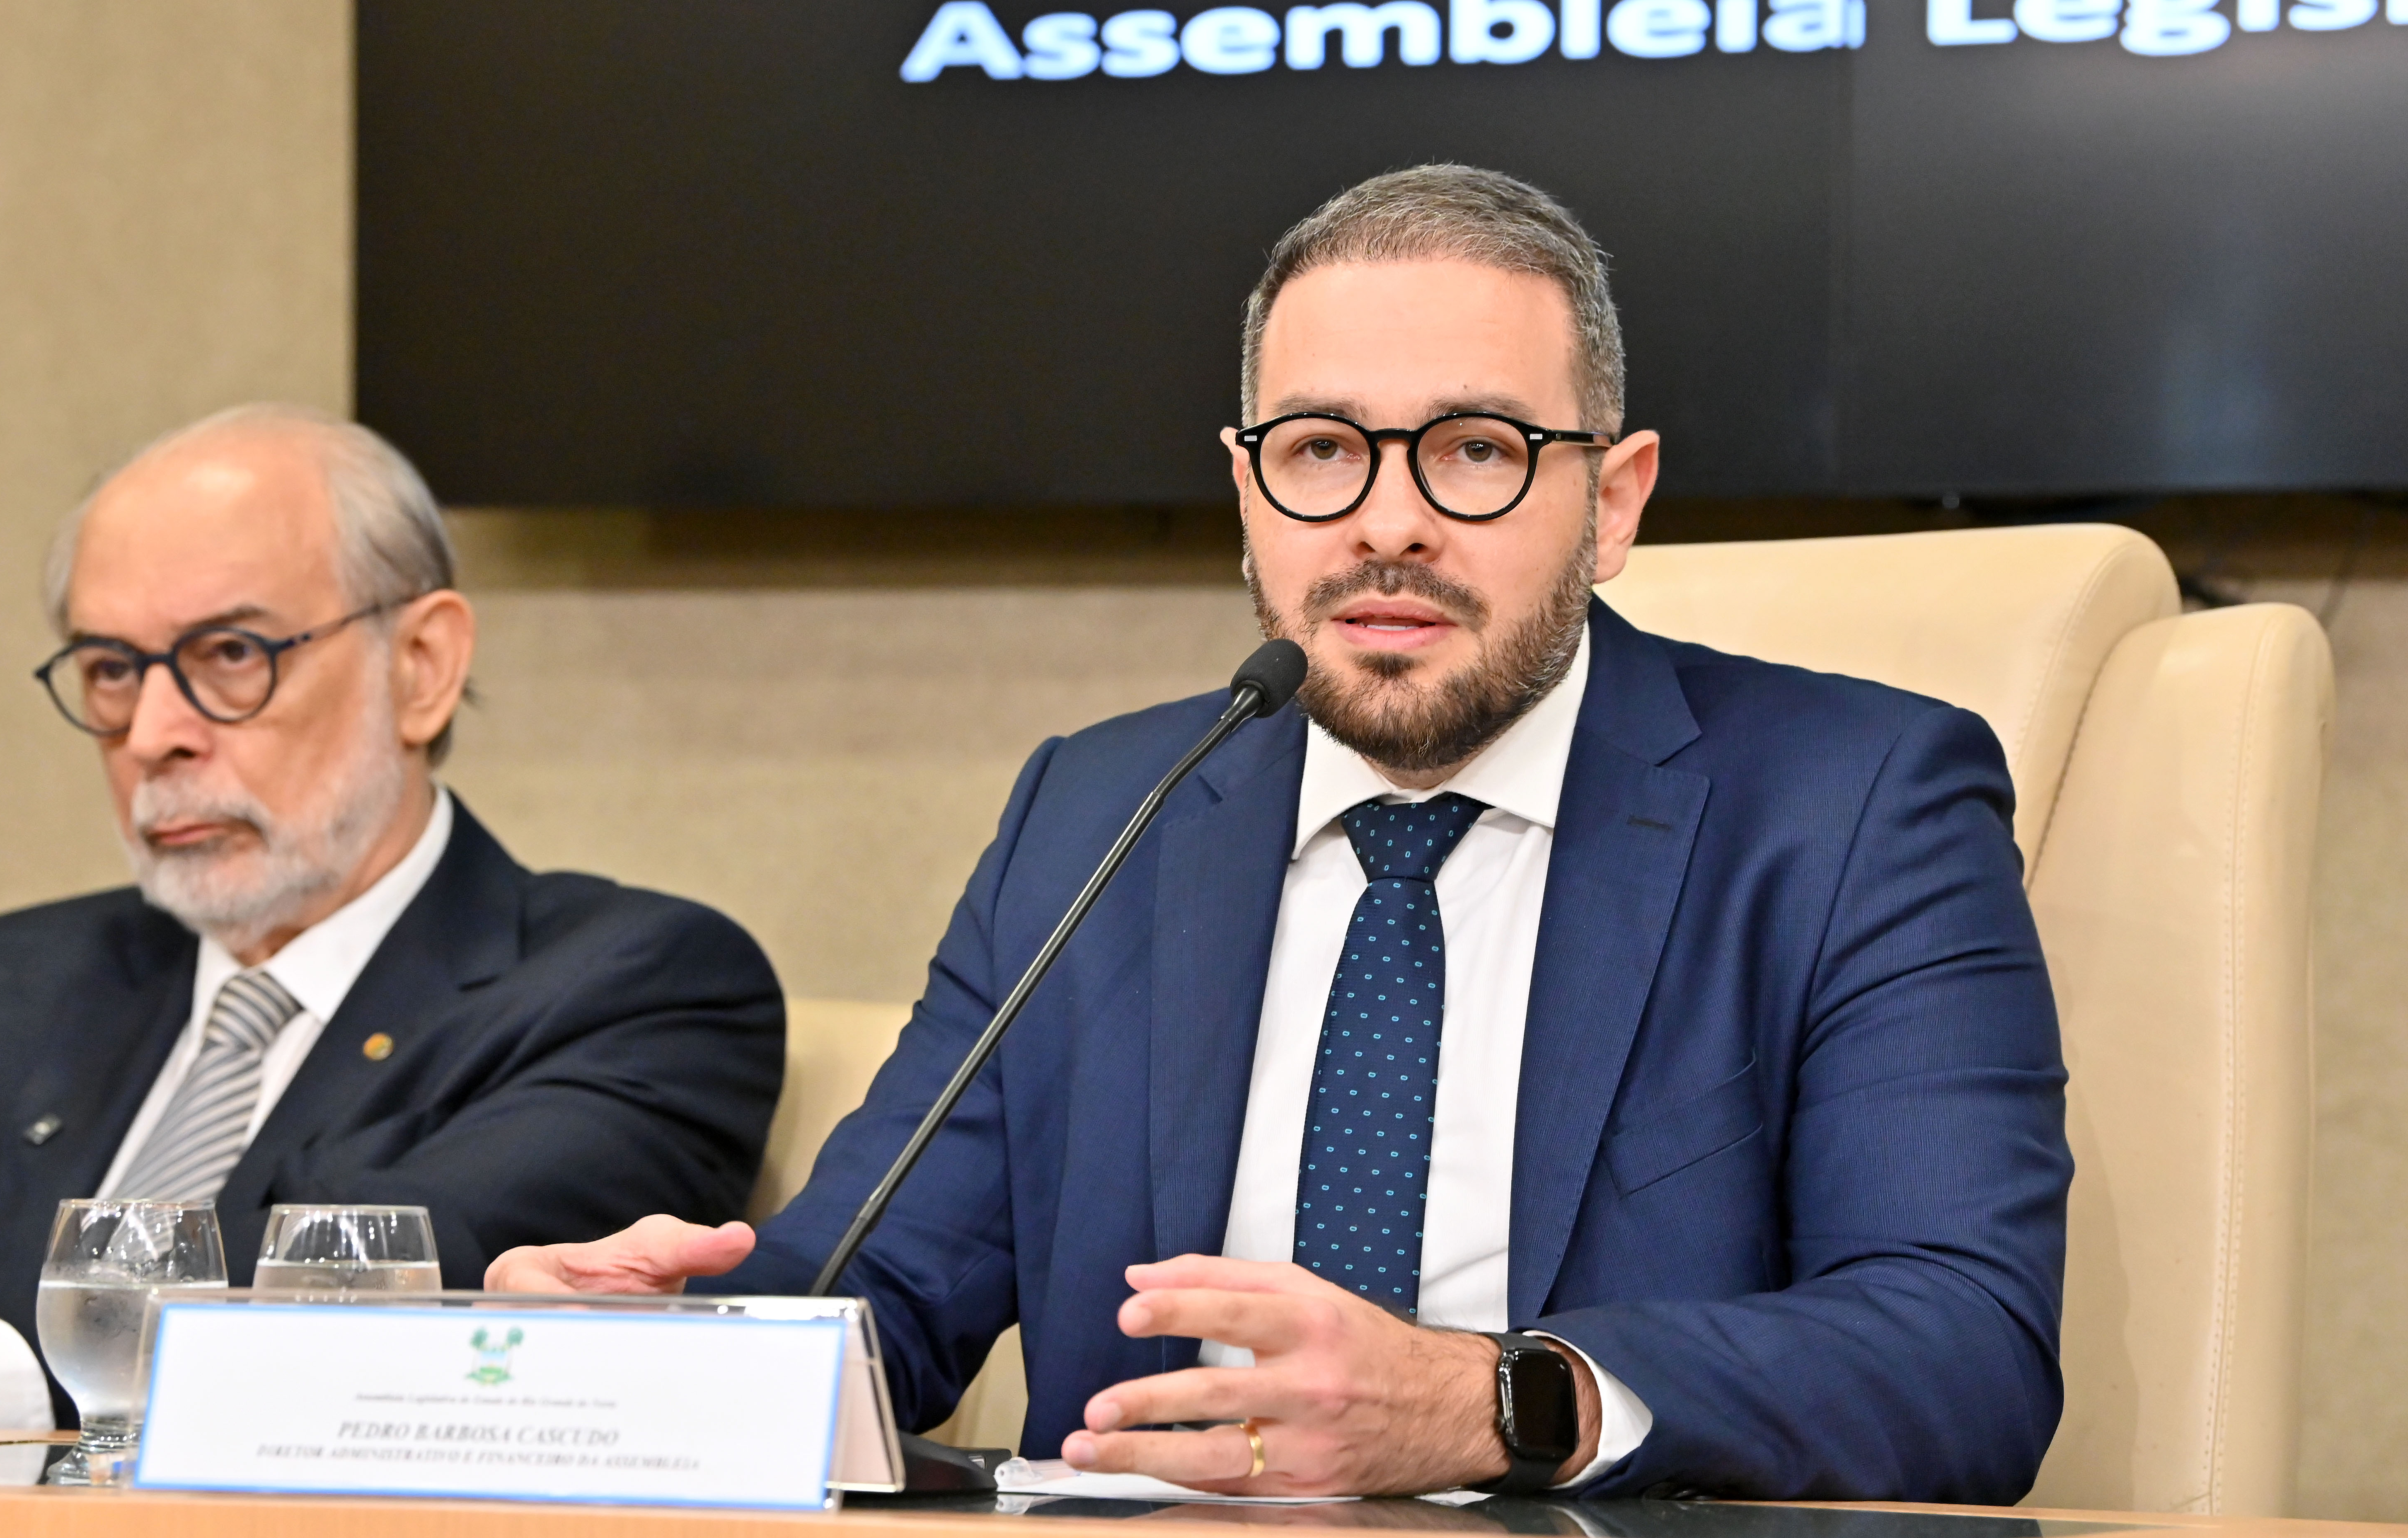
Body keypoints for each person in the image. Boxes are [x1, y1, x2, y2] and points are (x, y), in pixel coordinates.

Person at [487, 167, 2070, 1502]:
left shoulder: (1850, 804)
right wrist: (628, 1355)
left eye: (1474, 448)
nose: (1385, 521)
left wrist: (1487, 1401)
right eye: (1319, 449)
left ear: (1612, 500)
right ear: (1245, 493)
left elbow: (1960, 1349)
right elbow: (873, 1294)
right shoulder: (1098, 811)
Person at [0, 406, 785, 1430]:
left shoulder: (637, 985)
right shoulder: (2, 988)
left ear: (421, 665)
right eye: (110, 667)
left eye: (229, 652)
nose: (151, 733)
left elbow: (349, 1310)